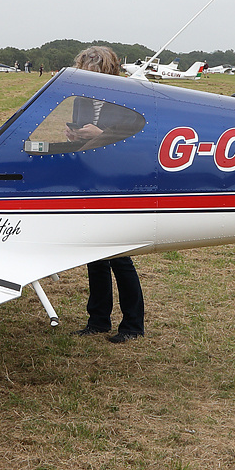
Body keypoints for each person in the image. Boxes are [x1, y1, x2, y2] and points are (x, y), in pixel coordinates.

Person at [70, 45, 145, 343]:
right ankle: (98, 320)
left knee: (119, 255)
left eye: (95, 73)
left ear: (108, 70)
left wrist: (99, 136)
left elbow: (134, 137)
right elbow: (84, 129)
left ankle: (132, 325)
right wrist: (75, 135)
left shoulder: (126, 96)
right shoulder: (83, 99)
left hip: (117, 179)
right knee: (94, 254)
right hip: (91, 176)